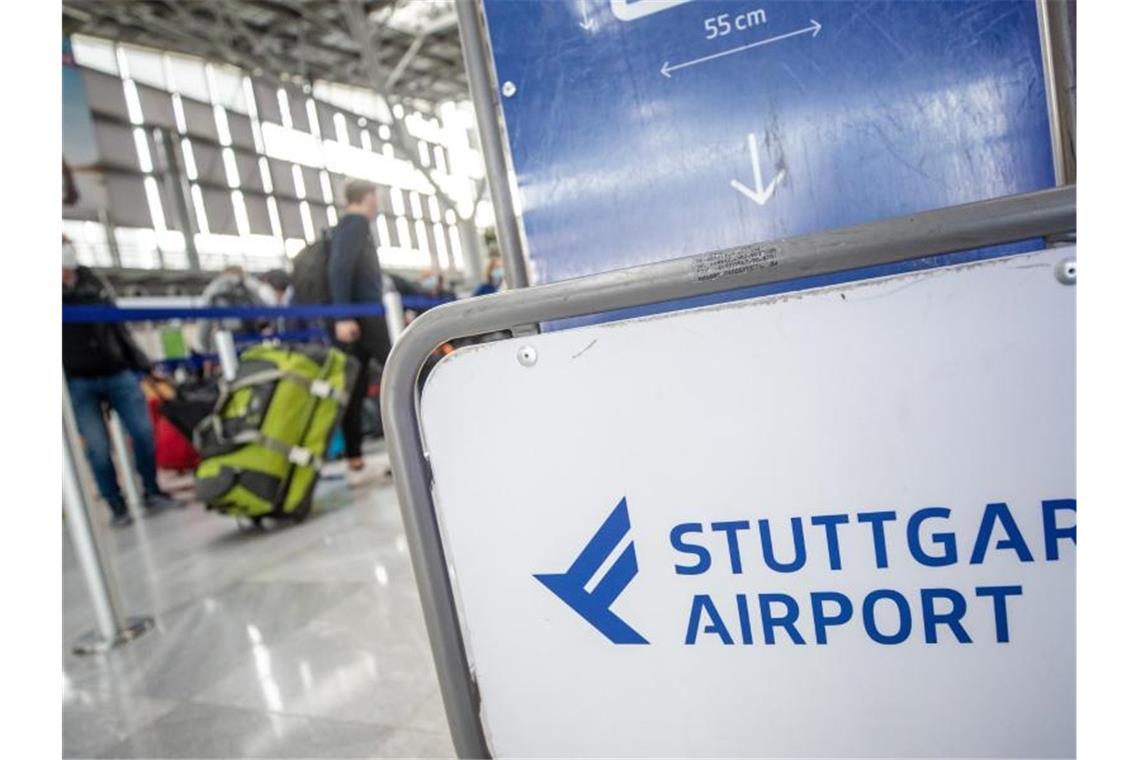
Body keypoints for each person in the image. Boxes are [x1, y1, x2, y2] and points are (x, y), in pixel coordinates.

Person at [62, 238, 180, 526]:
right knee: (98, 449)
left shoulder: (94, 283)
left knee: (143, 433)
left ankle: (152, 490)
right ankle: (116, 506)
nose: (68, 254)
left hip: (116, 370)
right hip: (77, 381)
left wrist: (144, 365)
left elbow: (118, 328)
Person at [327, 180, 392, 481]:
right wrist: (343, 315)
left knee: (354, 388)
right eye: (376, 198)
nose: (378, 203)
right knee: (402, 372)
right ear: (367, 198)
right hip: (363, 318)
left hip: (361, 317)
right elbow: (339, 267)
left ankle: (355, 461)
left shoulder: (350, 225)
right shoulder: (354, 224)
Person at [196, 265, 272, 352]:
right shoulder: (251, 287)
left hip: (225, 341)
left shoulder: (213, 289)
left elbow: (205, 323)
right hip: (250, 340)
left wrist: (205, 347)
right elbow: (266, 313)